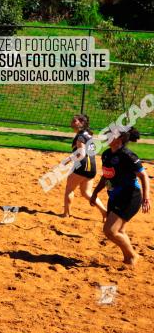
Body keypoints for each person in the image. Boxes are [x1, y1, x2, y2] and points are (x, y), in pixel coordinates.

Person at [90, 127, 150, 267]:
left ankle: (132, 255)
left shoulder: (128, 156)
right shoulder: (106, 154)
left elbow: (144, 176)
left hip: (129, 196)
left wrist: (146, 197)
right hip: (115, 196)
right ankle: (129, 259)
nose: (106, 135)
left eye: (110, 134)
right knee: (120, 230)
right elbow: (106, 175)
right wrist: (95, 192)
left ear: (120, 139)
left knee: (110, 231)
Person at [63, 114, 106, 218]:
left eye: (74, 121)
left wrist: (68, 159)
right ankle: (105, 212)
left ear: (82, 123)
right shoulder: (89, 135)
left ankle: (66, 214)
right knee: (87, 193)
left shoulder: (81, 136)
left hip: (82, 166)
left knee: (69, 189)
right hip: (92, 167)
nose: (71, 123)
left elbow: (81, 154)